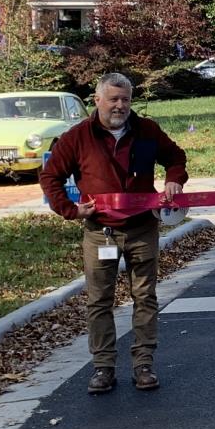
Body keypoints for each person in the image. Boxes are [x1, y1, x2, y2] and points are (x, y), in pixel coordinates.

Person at [41, 73, 188, 395]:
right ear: (97, 101)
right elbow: (50, 176)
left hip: (142, 228)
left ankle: (144, 364)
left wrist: (175, 180)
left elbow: (176, 157)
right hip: (100, 233)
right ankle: (103, 368)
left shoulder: (147, 130)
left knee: (145, 296)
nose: (120, 106)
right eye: (113, 99)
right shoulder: (78, 137)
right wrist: (69, 209)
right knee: (99, 301)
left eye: (125, 99)